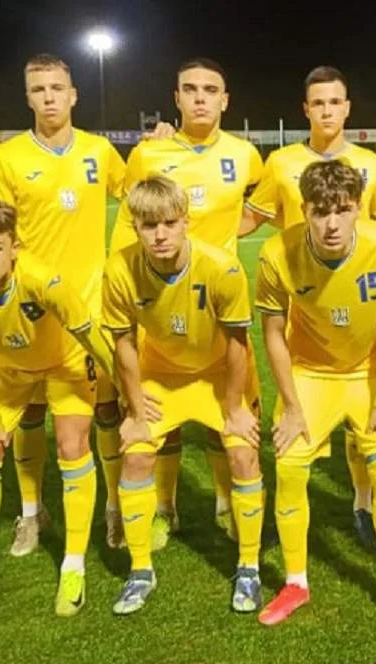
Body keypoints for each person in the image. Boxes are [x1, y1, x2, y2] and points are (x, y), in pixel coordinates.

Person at [0, 194, 118, 617]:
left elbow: (89, 336)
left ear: (15, 247)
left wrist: (125, 387)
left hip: (66, 363)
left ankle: (73, 567)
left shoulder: (44, 282)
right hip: (6, 371)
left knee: (72, 444)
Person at [253, 160, 376, 630]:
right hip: (311, 375)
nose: (331, 224)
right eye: (320, 211)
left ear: (358, 208)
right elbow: (273, 334)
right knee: (289, 467)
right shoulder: (276, 253)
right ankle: (295, 582)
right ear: (304, 210)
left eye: (342, 210)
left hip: (369, 374)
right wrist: (291, 406)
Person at [108, 57, 265, 548]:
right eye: (190, 89)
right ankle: (163, 508)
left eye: (210, 89)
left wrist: (227, 243)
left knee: (228, 418)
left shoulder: (245, 155)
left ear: (225, 100)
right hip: (161, 302)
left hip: (220, 302)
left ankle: (225, 504)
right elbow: (131, 226)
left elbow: (260, 207)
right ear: (176, 98)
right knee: (163, 419)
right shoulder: (148, 155)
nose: (200, 97)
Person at [241, 65, 376, 547]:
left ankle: (363, 504)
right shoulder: (281, 163)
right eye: (318, 103)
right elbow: (248, 218)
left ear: (347, 108)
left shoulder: (372, 164)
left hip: (362, 303)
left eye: (335, 102)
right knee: (298, 430)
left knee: (365, 428)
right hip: (306, 306)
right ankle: (288, 513)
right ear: (305, 109)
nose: (327, 111)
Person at [0, 53, 127, 552]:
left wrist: (160, 144)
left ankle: (114, 508)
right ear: (28, 98)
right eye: (39, 89)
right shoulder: (6, 159)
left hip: (91, 308)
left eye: (57, 88)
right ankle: (31, 512)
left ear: (73, 95)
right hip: (32, 311)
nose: (49, 97)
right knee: (31, 412)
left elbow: (136, 195)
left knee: (106, 409)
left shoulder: (99, 151)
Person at [102, 176, 264, 616]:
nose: (160, 235)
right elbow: (123, 344)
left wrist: (235, 408)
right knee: (136, 456)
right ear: (134, 226)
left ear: (186, 221)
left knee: (243, 453)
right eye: (148, 225)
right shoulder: (119, 269)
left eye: (169, 223)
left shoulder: (222, 268)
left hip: (219, 373)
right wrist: (135, 408)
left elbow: (238, 344)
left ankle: (249, 567)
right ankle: (140, 571)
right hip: (161, 373)